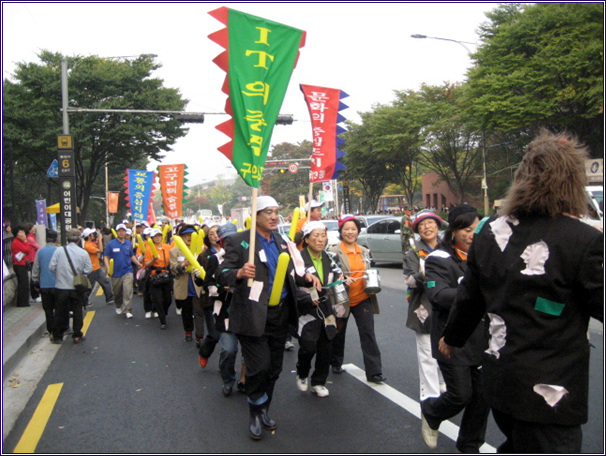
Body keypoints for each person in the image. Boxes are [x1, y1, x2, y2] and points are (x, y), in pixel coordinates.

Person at [439, 131, 603, 453]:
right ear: (571, 182)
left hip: (500, 382)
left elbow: (470, 296)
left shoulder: (490, 232)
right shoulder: (582, 240)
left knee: (518, 443)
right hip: (549, 393)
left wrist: (452, 337)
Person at [218, 195, 321, 440]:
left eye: (276, 211)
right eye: (268, 212)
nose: (274, 216)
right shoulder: (238, 241)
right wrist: (239, 272)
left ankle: (264, 407)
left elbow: (291, 273)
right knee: (259, 366)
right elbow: (221, 273)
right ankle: (254, 411)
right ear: (255, 216)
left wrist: (305, 278)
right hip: (252, 314)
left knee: (274, 369)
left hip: (281, 314)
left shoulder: (282, 241)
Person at [421, 204, 489, 453]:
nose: (471, 235)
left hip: (484, 338)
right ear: (453, 231)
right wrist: (472, 291)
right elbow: (438, 295)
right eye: (466, 229)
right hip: (452, 338)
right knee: (460, 395)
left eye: (476, 229)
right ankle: (431, 410)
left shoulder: (485, 256)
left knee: (483, 398)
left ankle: (470, 445)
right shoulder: (438, 259)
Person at [328, 215, 386, 383]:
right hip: (341, 299)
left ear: (358, 231)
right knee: (338, 333)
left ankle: (375, 372)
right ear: (341, 232)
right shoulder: (333, 251)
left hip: (363, 298)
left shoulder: (364, 251)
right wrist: (343, 279)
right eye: (346, 229)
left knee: (368, 334)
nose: (350, 232)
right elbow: (329, 274)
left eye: (353, 229)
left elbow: (370, 270)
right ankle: (336, 362)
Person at [295, 221, 342, 398]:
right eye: (316, 235)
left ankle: (319, 382)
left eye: (323, 235)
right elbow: (291, 285)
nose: (320, 239)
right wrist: (306, 298)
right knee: (308, 346)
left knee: (327, 347)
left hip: (327, 306)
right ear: (306, 239)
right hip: (307, 308)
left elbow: (337, 276)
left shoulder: (331, 257)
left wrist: (342, 279)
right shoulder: (297, 259)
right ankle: (302, 372)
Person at [403, 210, 446, 402]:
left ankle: (444, 383)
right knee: (427, 354)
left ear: (438, 226)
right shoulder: (413, 253)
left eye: (430, 223)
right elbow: (409, 281)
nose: (427, 227)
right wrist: (421, 275)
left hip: (448, 306)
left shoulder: (449, 248)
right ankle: (430, 397)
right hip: (423, 308)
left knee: (447, 348)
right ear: (417, 230)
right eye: (422, 225)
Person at [196, 222, 241, 396]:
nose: (231, 243)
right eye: (226, 240)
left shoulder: (249, 257)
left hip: (248, 311)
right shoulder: (215, 259)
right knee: (229, 349)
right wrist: (222, 289)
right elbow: (208, 284)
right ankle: (228, 379)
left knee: (253, 351)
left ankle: (246, 381)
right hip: (225, 310)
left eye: (234, 239)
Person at [49, 228, 93, 344]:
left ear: (67, 239)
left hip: (61, 287)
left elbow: (51, 267)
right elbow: (88, 269)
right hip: (76, 288)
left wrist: (60, 274)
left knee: (60, 312)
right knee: (77, 311)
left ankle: (58, 336)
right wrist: (80, 274)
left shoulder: (59, 251)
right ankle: (77, 334)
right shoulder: (83, 253)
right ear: (79, 240)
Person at [170, 224, 202, 340]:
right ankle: (188, 331)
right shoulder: (175, 251)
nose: (189, 237)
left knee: (199, 312)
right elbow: (173, 268)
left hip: (197, 286)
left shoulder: (200, 250)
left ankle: (200, 336)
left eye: (191, 235)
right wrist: (183, 264)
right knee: (186, 312)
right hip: (184, 285)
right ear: (181, 237)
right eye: (186, 235)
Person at [104, 224, 142, 319]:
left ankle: (127, 310)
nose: (121, 233)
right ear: (117, 232)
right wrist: (108, 268)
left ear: (125, 232)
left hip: (127, 271)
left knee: (127, 290)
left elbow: (131, 255)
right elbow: (106, 257)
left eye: (123, 231)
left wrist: (138, 263)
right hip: (115, 272)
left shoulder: (128, 244)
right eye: (119, 231)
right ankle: (118, 305)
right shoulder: (111, 244)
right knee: (117, 292)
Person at [143, 229, 173, 329]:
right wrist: (154, 259)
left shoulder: (167, 247)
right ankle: (162, 321)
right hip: (155, 276)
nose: (157, 237)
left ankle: (164, 312)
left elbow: (172, 259)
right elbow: (146, 264)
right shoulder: (149, 249)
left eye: (159, 235)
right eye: (155, 236)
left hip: (166, 275)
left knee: (168, 299)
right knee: (158, 299)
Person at [32, 229, 59, 336]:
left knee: (48, 310)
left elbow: (36, 269)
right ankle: (59, 329)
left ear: (45, 239)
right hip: (58, 285)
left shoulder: (40, 252)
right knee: (58, 308)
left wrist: (35, 281)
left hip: (44, 285)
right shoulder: (59, 251)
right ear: (56, 239)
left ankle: (50, 329)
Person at [82, 227, 114, 307]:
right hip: (92, 269)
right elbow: (100, 250)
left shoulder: (91, 243)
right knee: (90, 287)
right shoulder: (87, 246)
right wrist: (99, 239)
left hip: (97, 267)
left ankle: (109, 298)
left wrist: (98, 240)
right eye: (92, 234)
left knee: (105, 281)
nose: (94, 235)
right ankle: (85, 302)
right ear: (89, 236)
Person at [11, 225, 35, 307]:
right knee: (23, 284)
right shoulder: (16, 242)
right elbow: (26, 250)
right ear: (17, 234)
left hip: (23, 263)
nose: (23, 234)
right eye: (20, 232)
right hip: (19, 265)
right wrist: (25, 241)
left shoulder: (19, 241)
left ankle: (24, 301)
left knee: (24, 284)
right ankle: (22, 302)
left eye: (23, 232)